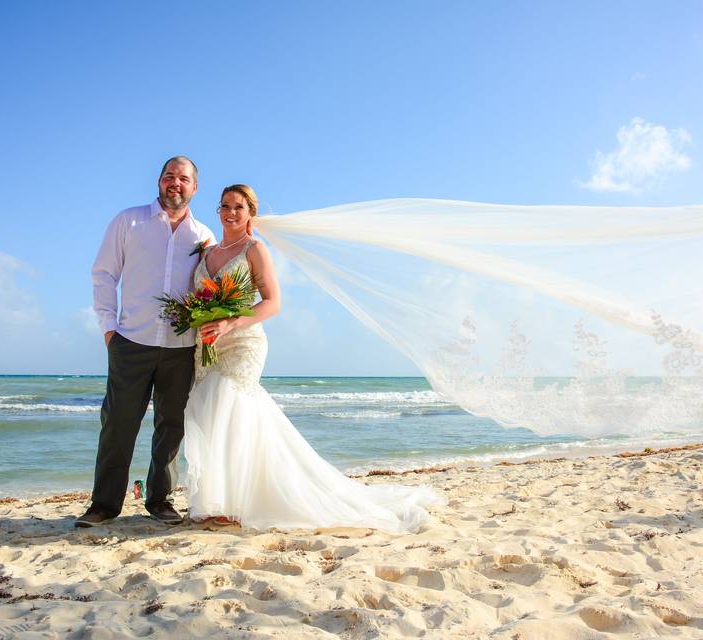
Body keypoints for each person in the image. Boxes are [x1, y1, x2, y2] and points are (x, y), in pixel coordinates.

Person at [184, 184, 444, 532]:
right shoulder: (206, 254)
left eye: (239, 207)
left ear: (251, 214)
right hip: (209, 345)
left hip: (243, 343)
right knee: (211, 414)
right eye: (225, 206)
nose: (231, 212)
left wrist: (231, 322)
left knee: (229, 408)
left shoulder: (254, 249)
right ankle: (221, 501)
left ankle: (235, 504)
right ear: (218, 210)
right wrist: (201, 320)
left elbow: (272, 302)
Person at [77, 156, 216, 528]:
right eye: (169, 176)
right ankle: (104, 504)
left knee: (171, 426)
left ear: (194, 187)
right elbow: (104, 273)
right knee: (118, 423)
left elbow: (209, 289)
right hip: (131, 340)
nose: (176, 183)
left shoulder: (203, 235)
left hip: (182, 345)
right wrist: (109, 328)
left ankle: (160, 500)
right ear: (159, 181)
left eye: (183, 178)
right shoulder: (129, 221)